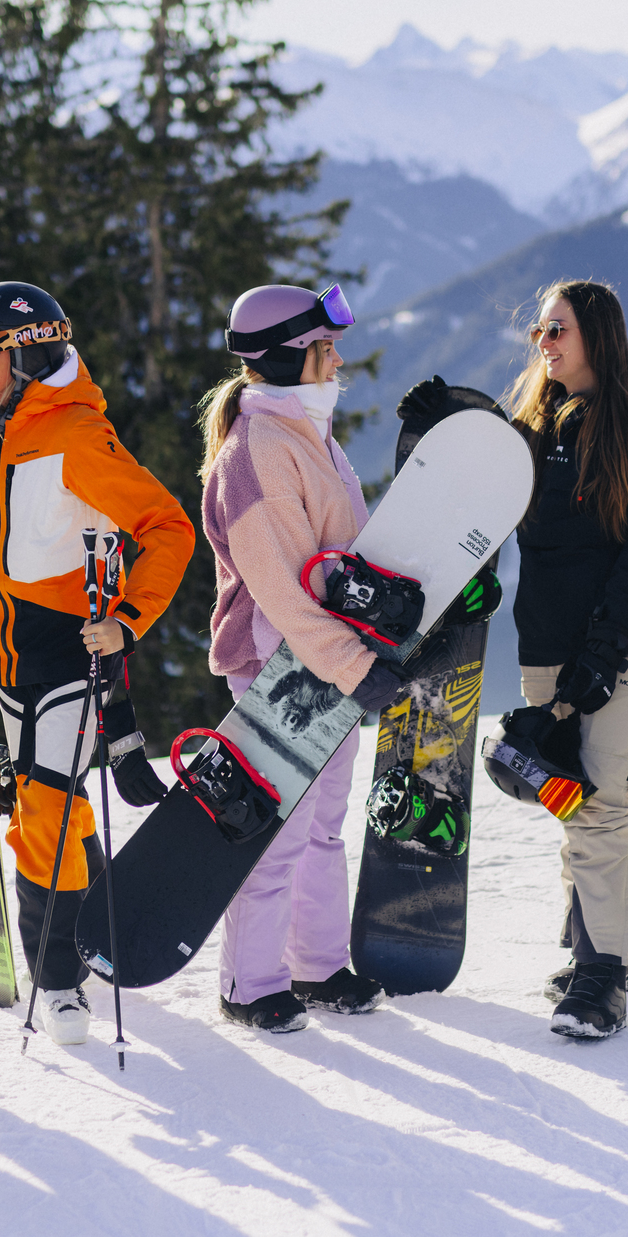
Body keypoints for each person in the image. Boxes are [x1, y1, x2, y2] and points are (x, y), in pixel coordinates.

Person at [0, 281, 193, 1045]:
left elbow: (167, 528)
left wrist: (127, 620)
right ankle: (100, 927)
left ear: (26, 352)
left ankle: (58, 976)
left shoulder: (75, 436)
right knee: (51, 802)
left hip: (67, 653)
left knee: (44, 810)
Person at [449, 279, 628, 1040]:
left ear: (598, 337)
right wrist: (442, 426)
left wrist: (603, 651)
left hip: (624, 643)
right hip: (546, 642)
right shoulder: (537, 425)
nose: (543, 343)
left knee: (601, 800)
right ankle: (608, 942)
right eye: (539, 331)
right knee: (567, 793)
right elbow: (482, 498)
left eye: (557, 329)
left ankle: (600, 976)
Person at [198, 283, 396, 1034]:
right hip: (277, 667)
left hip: (328, 661)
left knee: (322, 826)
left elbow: (344, 552)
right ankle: (249, 983)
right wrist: (355, 667)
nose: (338, 359)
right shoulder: (256, 453)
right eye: (325, 348)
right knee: (278, 830)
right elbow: (282, 589)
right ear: (289, 356)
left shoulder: (311, 435)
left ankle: (315, 965)